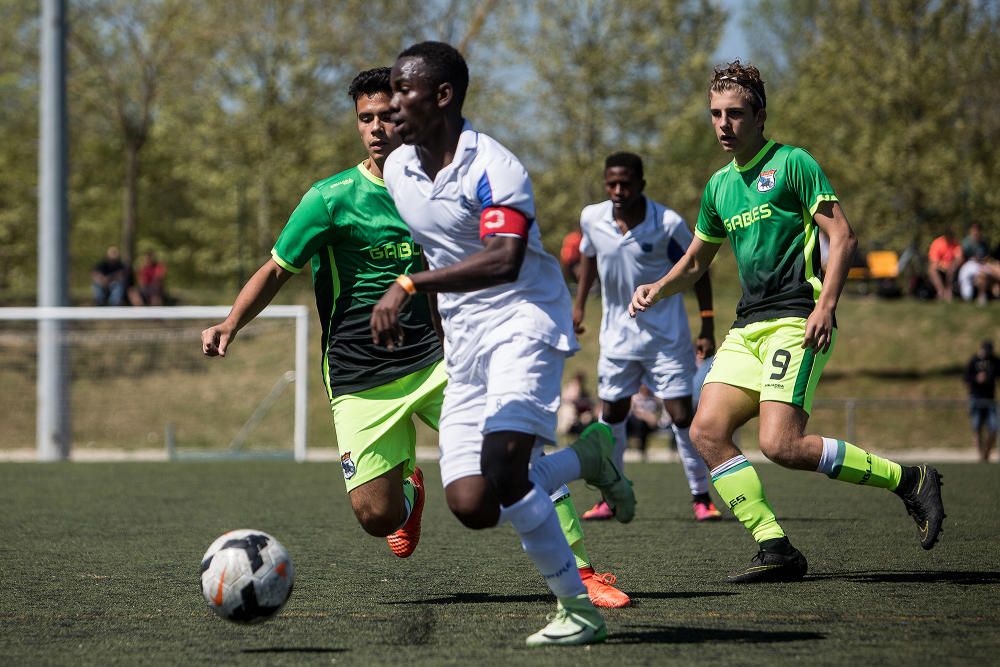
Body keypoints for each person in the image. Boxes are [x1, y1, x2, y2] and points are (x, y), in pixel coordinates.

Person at [201, 67, 627, 613]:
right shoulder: (330, 199)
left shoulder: (432, 185)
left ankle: (584, 573)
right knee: (376, 517)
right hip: (358, 376)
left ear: (407, 115)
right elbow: (277, 268)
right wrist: (230, 323)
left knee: (513, 458)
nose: (377, 127)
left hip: (435, 360)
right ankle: (409, 495)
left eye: (386, 115)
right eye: (366, 119)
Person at [629, 60, 945, 583]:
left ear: (759, 115)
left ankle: (911, 480)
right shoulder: (718, 188)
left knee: (782, 445)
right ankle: (775, 546)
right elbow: (696, 260)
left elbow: (842, 237)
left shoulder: (793, 163)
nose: (723, 125)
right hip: (746, 326)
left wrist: (826, 306)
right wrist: (659, 288)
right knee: (705, 431)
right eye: (715, 115)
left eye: (734, 114)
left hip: (795, 317)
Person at [371, 42, 635, 646]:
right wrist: (438, 326)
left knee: (504, 466)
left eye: (402, 92)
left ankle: (578, 609)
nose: (389, 106)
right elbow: (438, 250)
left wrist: (408, 286)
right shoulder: (397, 170)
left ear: (442, 97)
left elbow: (503, 259)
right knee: (473, 504)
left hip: (524, 322)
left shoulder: (495, 166)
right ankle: (587, 458)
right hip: (466, 343)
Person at [574, 151, 722, 523]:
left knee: (681, 415)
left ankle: (701, 497)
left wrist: (707, 324)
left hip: (666, 340)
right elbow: (588, 257)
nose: (618, 190)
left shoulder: (667, 222)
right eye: (612, 183)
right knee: (612, 415)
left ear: (642, 183)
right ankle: (611, 494)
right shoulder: (592, 218)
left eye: (626, 183)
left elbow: (697, 268)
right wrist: (578, 306)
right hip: (617, 340)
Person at [965, 340, 999, 462]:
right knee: (977, 427)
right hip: (977, 398)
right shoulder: (974, 361)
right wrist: (976, 378)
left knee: (994, 427)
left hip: (990, 399)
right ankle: (980, 456)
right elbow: (966, 378)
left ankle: (986, 453)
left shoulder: (994, 361)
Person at [927, 230, 963, 301]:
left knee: (952, 268)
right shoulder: (937, 243)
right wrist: (942, 265)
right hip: (940, 267)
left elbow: (959, 258)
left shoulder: (955, 243)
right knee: (932, 269)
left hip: (952, 267)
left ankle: (949, 291)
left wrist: (952, 265)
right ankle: (941, 291)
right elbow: (934, 260)